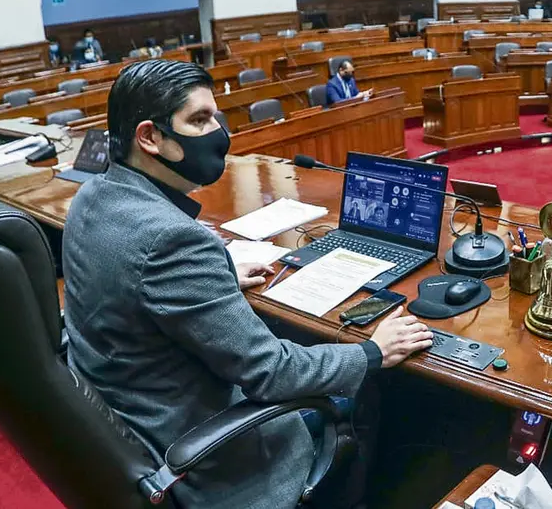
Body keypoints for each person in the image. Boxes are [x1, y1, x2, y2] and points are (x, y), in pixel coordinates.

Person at [62, 59, 433, 509]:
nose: (218, 132)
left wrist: (212, 282)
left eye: (216, 116)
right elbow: (271, 373)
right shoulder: (172, 241)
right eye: (200, 119)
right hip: (210, 464)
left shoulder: (92, 196)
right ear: (149, 137)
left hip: (138, 415)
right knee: (370, 387)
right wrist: (374, 351)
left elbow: (131, 284)